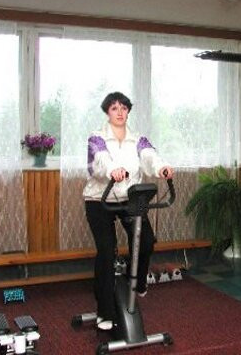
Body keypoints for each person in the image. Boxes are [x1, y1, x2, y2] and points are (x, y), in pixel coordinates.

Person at [83, 92, 174, 331]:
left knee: (146, 241)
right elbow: (100, 160)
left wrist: (161, 167)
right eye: (114, 108)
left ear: (128, 111)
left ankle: (138, 281)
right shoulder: (97, 137)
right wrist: (113, 169)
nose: (120, 112)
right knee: (106, 251)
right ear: (107, 112)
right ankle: (104, 311)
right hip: (99, 199)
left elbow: (150, 156)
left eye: (123, 108)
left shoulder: (138, 139)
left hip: (129, 198)